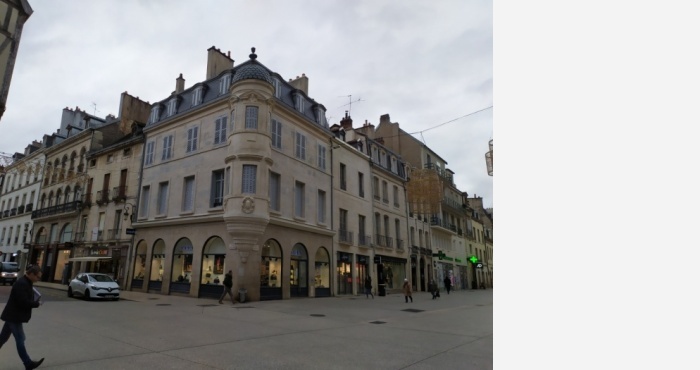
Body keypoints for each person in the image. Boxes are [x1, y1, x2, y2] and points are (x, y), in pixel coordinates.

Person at [0, 265, 45, 370]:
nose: (39, 279)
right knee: (20, 339)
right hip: (14, 316)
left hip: (13, 316)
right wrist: (36, 304)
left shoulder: (26, 282)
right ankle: (28, 363)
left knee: (2, 339)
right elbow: (23, 302)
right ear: (32, 274)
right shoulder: (22, 284)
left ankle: (28, 363)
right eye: (38, 277)